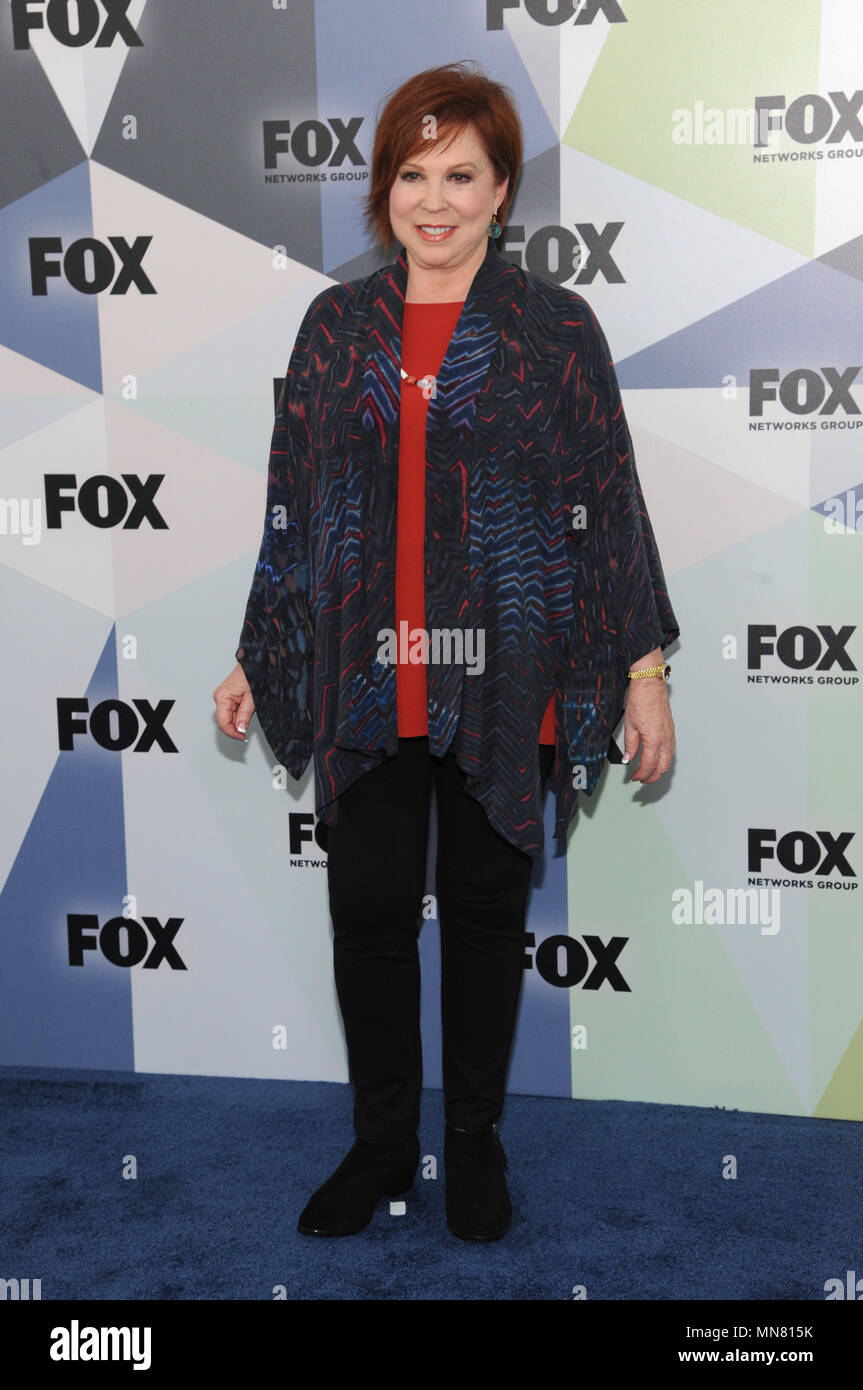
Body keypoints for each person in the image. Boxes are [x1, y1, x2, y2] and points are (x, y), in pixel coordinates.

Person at [213, 61, 679, 1242]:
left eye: (459, 175)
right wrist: (259, 651)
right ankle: (379, 1151)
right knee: (367, 919)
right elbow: (294, 510)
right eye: (411, 175)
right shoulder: (335, 328)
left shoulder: (554, 330)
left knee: (481, 923)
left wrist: (643, 675)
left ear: (500, 187)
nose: (434, 200)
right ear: (383, 190)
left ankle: (470, 1147)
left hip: (504, 676)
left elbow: (606, 503)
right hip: (366, 677)